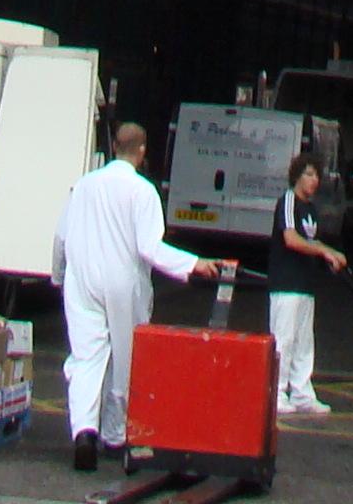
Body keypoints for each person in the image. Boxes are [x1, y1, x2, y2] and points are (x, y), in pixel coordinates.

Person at [55, 124, 232, 473]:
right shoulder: (143, 191)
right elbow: (149, 248)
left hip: (82, 278)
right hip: (123, 281)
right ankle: (115, 434)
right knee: (125, 358)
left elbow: (61, 237)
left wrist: (58, 275)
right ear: (141, 151)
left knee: (86, 358)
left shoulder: (84, 184)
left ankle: (84, 432)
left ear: (114, 147)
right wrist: (195, 263)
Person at [266, 151, 343, 416]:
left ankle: (301, 392)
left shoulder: (311, 210)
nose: (314, 181)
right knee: (283, 339)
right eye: (308, 174)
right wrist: (323, 252)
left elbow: (313, 240)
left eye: (317, 176)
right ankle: (276, 393)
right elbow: (292, 239)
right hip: (286, 283)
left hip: (305, 285)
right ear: (296, 176)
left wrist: (330, 253)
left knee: (303, 341)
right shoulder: (288, 201)